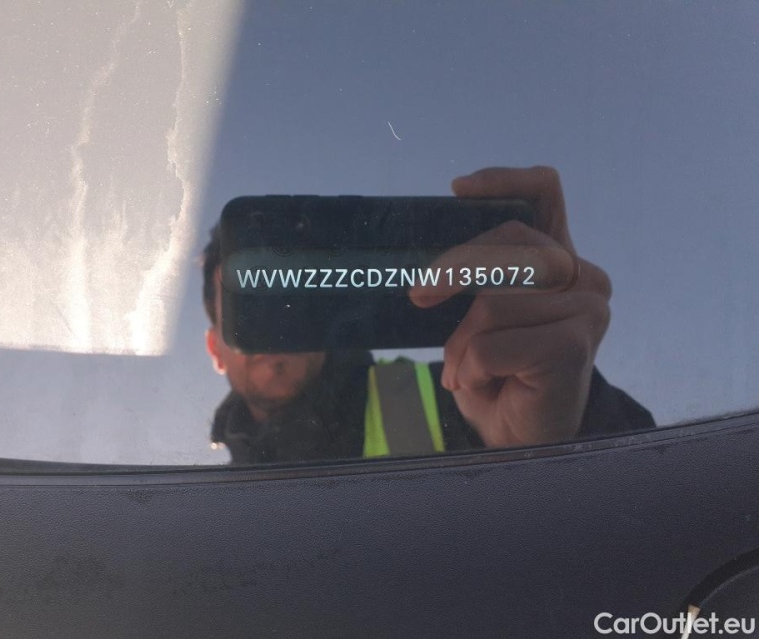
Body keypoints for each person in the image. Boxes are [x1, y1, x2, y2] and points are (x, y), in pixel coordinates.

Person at [203, 166, 654, 464]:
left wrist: (566, 438)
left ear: (324, 301)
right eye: (251, 303)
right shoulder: (194, 499)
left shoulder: (467, 391)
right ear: (214, 350)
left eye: (291, 292)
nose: (276, 322)